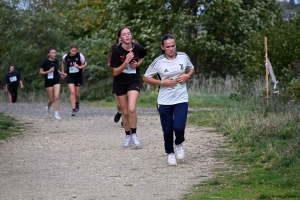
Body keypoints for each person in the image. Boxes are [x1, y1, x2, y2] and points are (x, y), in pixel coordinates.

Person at [143, 34, 195, 165]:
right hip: (165, 100)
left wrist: (187, 76)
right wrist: (162, 82)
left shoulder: (183, 56)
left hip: (181, 98)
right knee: (167, 129)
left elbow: (191, 68)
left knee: (179, 126)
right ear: (163, 47)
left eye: (173, 46)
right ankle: (170, 152)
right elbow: (146, 77)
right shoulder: (158, 61)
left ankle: (178, 143)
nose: (171, 49)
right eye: (168, 47)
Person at [110, 26, 146, 147]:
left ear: (131, 35)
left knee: (131, 109)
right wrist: (126, 62)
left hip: (133, 81)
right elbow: (115, 72)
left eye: (128, 34)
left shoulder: (138, 48)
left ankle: (134, 134)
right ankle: (127, 135)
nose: (127, 36)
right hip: (120, 83)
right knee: (124, 113)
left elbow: (142, 56)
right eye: (124, 34)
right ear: (120, 37)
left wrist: (138, 63)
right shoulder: (116, 51)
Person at [39, 47, 67, 120]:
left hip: (56, 80)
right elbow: (41, 72)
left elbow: (56, 70)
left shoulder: (57, 61)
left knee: (57, 97)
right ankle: (48, 107)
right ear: (49, 54)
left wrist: (62, 73)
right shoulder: (45, 62)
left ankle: (56, 113)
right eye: (52, 53)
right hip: (48, 81)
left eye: (55, 53)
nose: (54, 54)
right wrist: (48, 71)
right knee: (51, 99)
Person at [62, 44, 87, 116]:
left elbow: (85, 65)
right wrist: (63, 72)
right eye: (72, 51)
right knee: (72, 92)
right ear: (70, 50)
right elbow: (63, 62)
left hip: (78, 76)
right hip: (70, 76)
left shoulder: (80, 56)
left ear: (77, 50)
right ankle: (73, 109)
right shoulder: (66, 57)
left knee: (76, 93)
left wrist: (79, 66)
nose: (73, 52)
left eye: (75, 51)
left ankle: (77, 103)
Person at [108, 38, 123, 127]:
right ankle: (120, 111)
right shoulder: (115, 53)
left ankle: (125, 121)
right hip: (118, 79)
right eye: (120, 40)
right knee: (120, 104)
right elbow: (109, 64)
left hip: (130, 79)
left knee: (128, 103)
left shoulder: (131, 50)